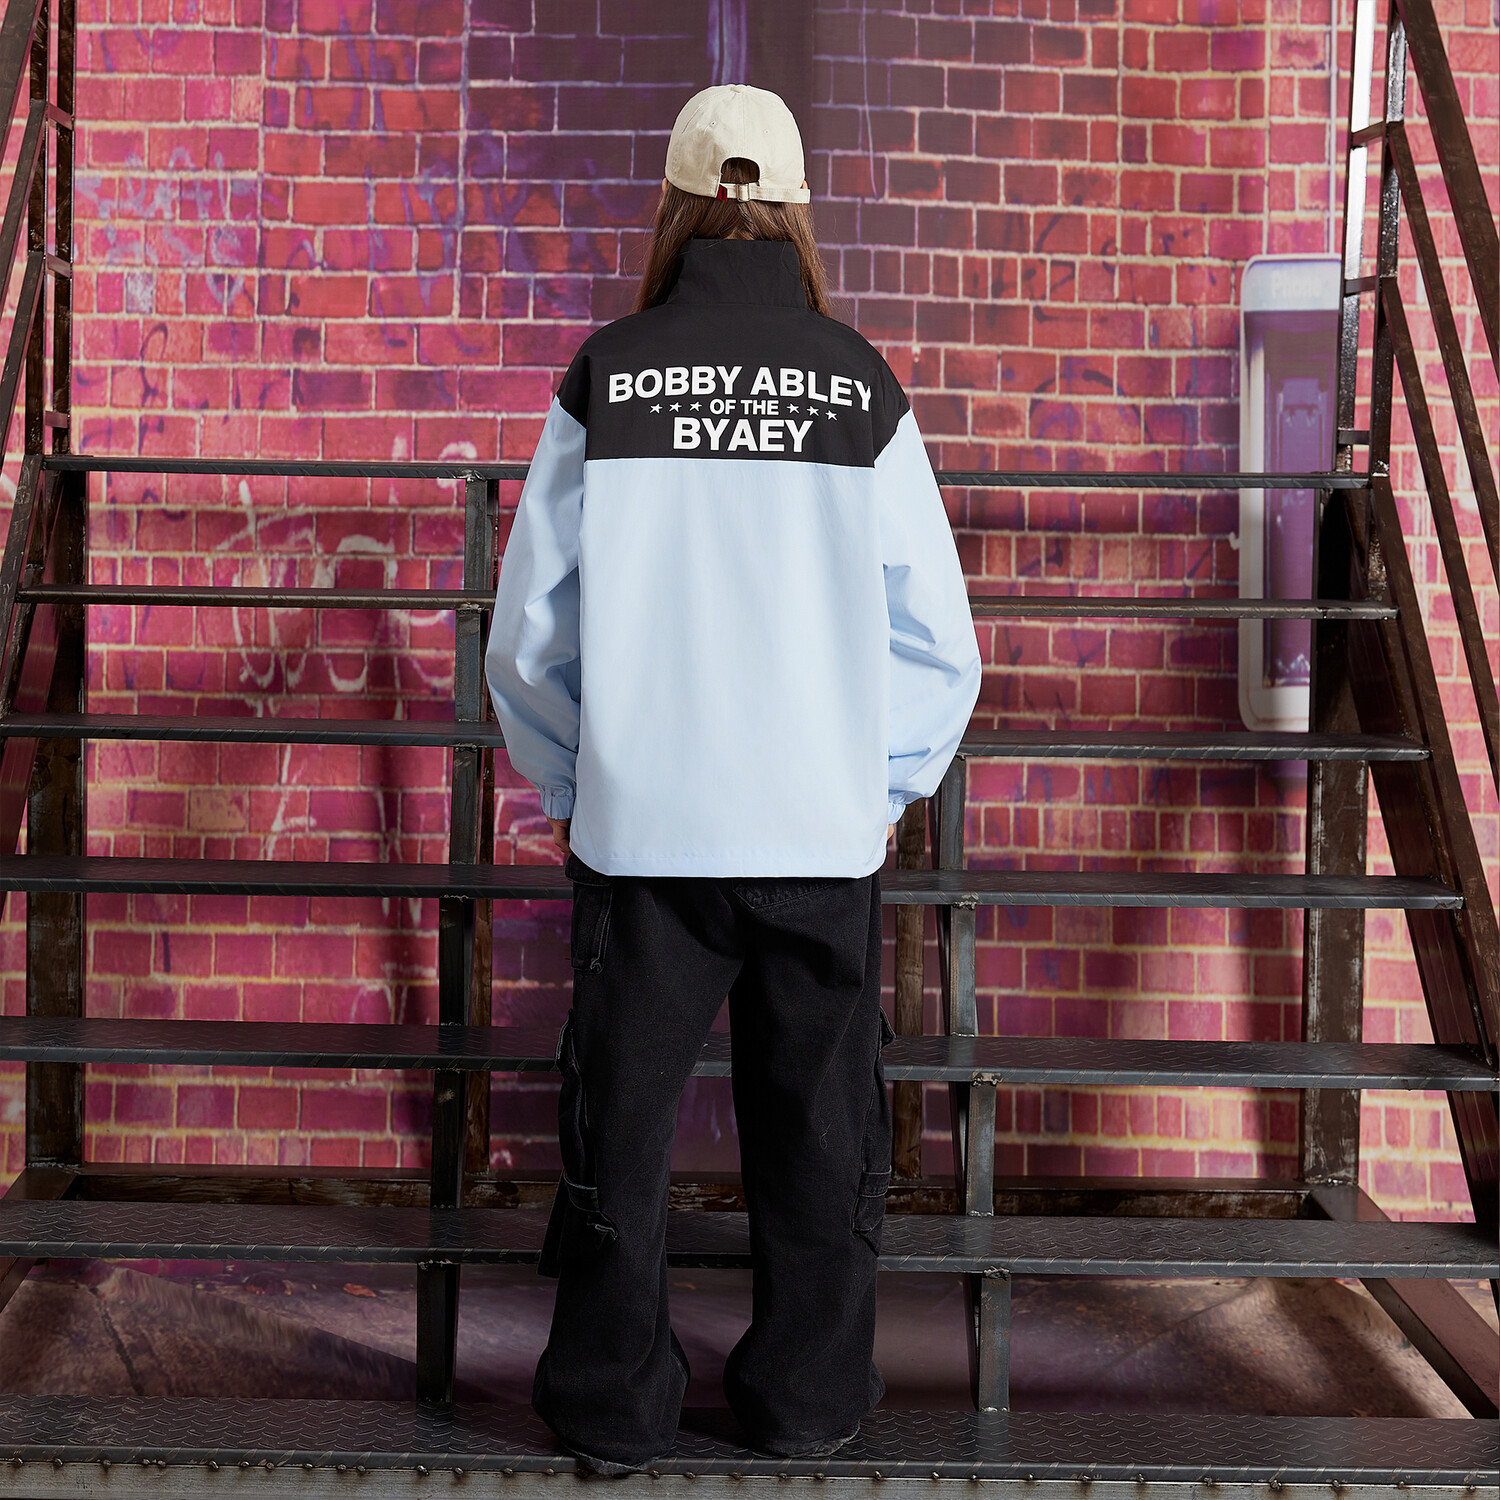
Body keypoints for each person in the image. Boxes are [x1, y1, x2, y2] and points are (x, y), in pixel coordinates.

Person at [485, 82, 981, 1474]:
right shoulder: (860, 382)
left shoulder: (610, 373)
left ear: (676, 204)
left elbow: (527, 634)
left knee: (624, 1131)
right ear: (798, 209)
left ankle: (612, 1404)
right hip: (818, 834)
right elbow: (940, 642)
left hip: (646, 834)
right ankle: (808, 1399)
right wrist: (881, 788)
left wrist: (573, 781)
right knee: (820, 1130)